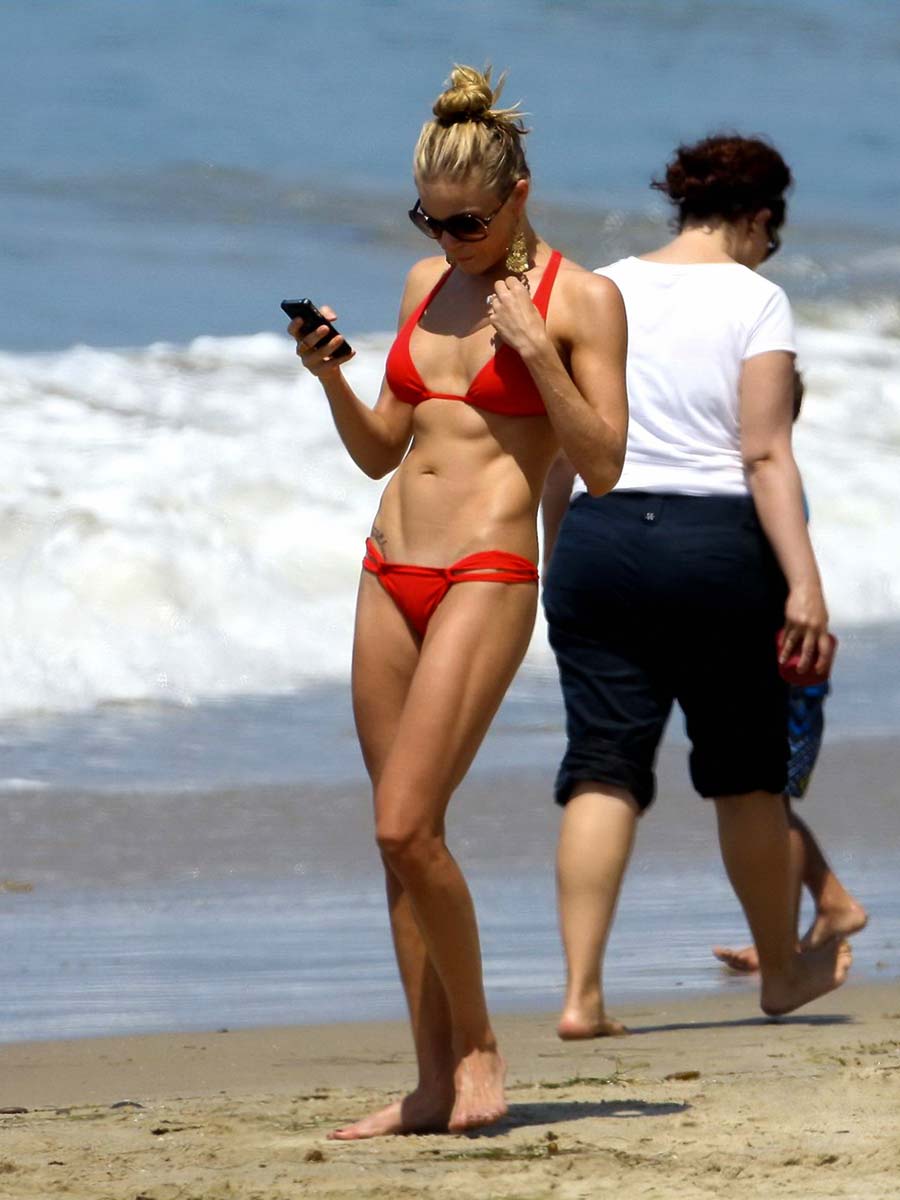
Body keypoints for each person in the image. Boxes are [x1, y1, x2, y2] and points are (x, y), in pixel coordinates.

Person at [288, 64, 627, 1135]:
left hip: (487, 572)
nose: (450, 239)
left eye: (469, 222)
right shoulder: (421, 288)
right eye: (431, 221)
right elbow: (380, 450)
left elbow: (604, 463)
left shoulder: (582, 300)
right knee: (399, 838)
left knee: (405, 824)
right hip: (388, 569)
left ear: (518, 193)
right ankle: (432, 1082)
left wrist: (538, 355)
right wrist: (331, 377)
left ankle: (479, 1048)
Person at [541, 132, 852, 1040]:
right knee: (747, 779)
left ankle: (581, 997)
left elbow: (562, 448)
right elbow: (763, 452)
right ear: (758, 218)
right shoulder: (756, 299)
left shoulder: (598, 285)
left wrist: (559, 555)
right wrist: (805, 582)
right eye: (771, 235)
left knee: (602, 766)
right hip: (715, 548)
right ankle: (781, 975)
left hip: (599, 539)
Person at [712, 370, 867, 972]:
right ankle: (814, 915)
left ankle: (826, 909)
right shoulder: (764, 475)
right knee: (764, 799)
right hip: (785, 657)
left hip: (782, 661)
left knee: (763, 799)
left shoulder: (766, 480)